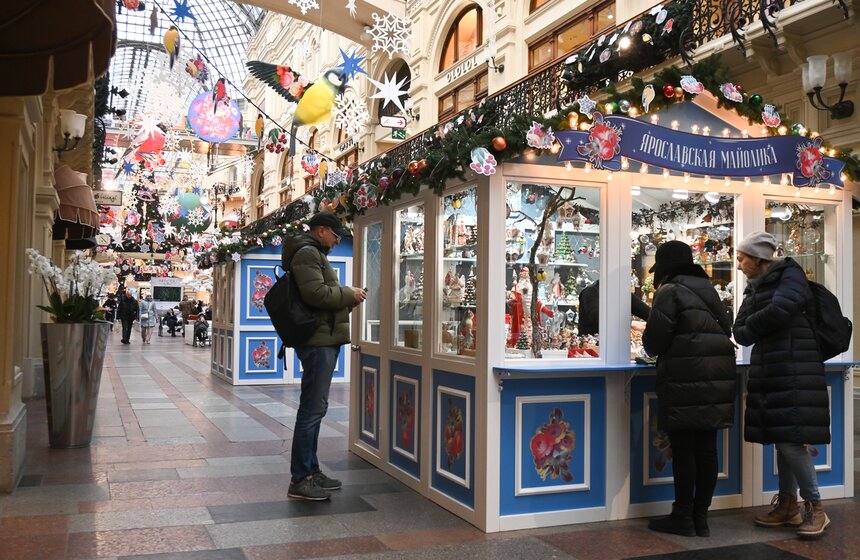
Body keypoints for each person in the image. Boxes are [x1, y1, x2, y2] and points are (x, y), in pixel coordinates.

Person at [732, 231, 831, 540]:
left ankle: (815, 507)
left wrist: (753, 326)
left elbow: (780, 310)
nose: (738, 266)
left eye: (742, 259)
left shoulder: (790, 275)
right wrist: (753, 326)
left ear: (760, 260)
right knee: (781, 437)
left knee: (791, 440)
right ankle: (787, 503)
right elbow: (740, 331)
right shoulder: (754, 288)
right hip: (772, 370)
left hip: (795, 369)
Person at [642, 240, 737, 538]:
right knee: (707, 449)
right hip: (716, 379)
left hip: (684, 379)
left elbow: (654, 342)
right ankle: (701, 518)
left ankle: (682, 515)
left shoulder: (670, 291)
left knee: (683, 449)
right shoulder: (710, 290)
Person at [281, 211, 366, 501]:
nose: (337, 238)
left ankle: (311, 471)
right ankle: (300, 479)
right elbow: (316, 294)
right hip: (318, 342)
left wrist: (347, 298)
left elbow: (323, 298)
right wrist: (348, 293)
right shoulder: (307, 253)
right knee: (312, 409)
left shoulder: (313, 253)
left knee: (316, 408)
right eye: (334, 233)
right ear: (320, 231)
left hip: (323, 338)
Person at [577, 279, 651, 336]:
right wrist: (631, 323)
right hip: (591, 347)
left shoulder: (621, 292)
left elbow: (647, 312)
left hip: (613, 345)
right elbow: (598, 317)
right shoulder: (590, 292)